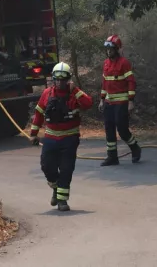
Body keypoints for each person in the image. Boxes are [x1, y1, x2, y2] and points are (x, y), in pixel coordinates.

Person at [28, 62, 93, 211]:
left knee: (66, 169)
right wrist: (33, 134)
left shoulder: (74, 94)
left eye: (63, 80)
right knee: (46, 166)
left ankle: (62, 201)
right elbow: (38, 114)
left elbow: (88, 103)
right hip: (50, 137)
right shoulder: (47, 93)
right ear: (53, 79)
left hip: (69, 137)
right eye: (57, 79)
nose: (60, 82)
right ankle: (56, 189)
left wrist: (75, 90)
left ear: (68, 79)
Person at [100, 33, 142, 166]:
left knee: (122, 129)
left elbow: (131, 82)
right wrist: (102, 99)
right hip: (108, 102)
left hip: (122, 103)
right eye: (107, 49)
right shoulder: (106, 63)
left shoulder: (124, 63)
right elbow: (104, 83)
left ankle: (135, 148)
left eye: (111, 49)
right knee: (109, 130)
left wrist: (131, 101)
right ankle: (112, 157)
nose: (108, 51)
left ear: (117, 49)